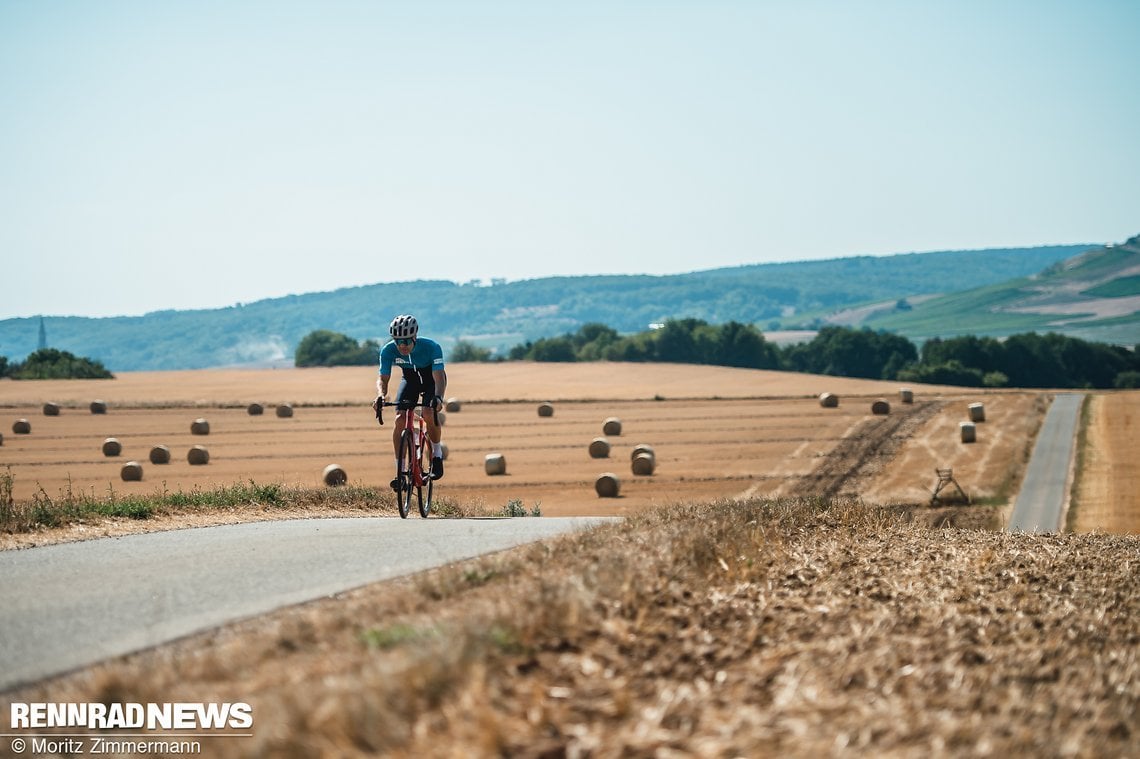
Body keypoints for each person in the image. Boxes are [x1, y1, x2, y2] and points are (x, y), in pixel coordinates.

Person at [373, 314, 447, 488]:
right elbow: (382, 378)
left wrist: (438, 397)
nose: (402, 346)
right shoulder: (388, 350)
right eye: (398, 341)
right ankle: (400, 471)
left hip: (431, 381)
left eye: (406, 341)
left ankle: (436, 454)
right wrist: (381, 395)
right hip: (410, 380)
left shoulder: (431, 347)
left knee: (428, 412)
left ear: (414, 337)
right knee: (400, 418)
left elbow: (439, 378)